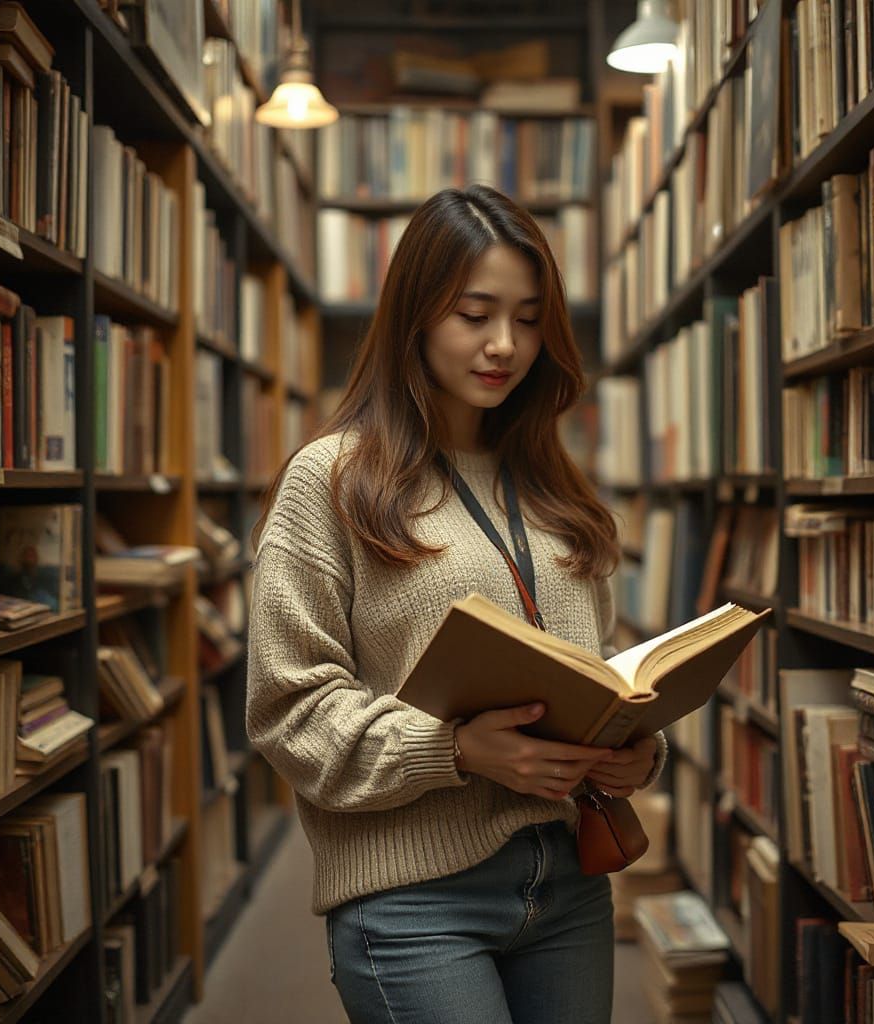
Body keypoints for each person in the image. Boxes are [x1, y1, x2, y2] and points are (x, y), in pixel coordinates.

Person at [246, 184, 667, 1024]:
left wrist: (633, 751)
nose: (504, 345)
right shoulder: (333, 480)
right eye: (475, 314)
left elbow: (597, 675)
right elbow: (290, 708)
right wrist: (456, 751)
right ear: (417, 314)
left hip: (570, 883)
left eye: (527, 316)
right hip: (412, 900)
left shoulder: (559, 494)